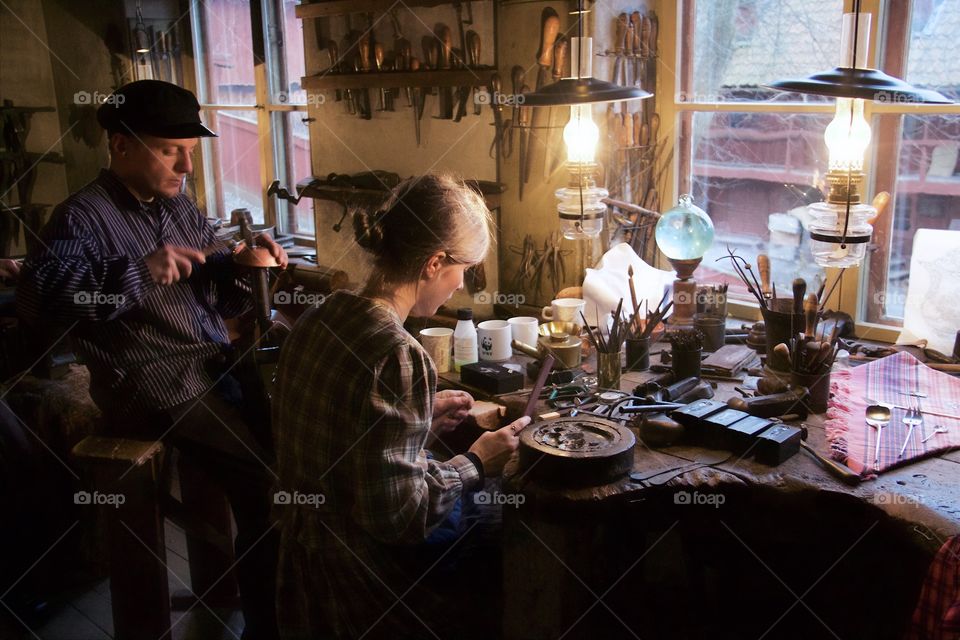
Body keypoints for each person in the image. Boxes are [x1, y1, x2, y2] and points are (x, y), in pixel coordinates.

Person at [16, 80, 286, 640]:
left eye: (191, 151)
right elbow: (40, 299)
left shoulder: (181, 208)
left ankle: (265, 602)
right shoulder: (79, 218)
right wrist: (140, 271)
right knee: (269, 490)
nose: (187, 165)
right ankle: (269, 629)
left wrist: (244, 268)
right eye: (170, 150)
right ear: (120, 145)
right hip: (154, 382)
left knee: (294, 457)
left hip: (213, 365)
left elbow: (219, 300)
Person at [272, 174, 529, 639]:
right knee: (509, 519)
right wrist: (476, 461)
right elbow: (401, 517)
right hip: (358, 579)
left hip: (300, 559)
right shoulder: (397, 353)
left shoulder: (319, 316)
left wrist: (419, 420)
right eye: (462, 271)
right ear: (433, 263)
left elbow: (343, 440)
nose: (458, 288)